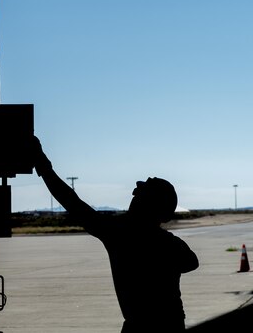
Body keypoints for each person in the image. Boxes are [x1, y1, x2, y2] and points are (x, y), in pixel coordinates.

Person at [31, 136, 199, 333]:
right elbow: (190, 262)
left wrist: (43, 165)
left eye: (143, 188)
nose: (137, 186)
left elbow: (72, 203)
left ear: (149, 203)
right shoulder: (168, 243)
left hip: (140, 327)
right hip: (169, 325)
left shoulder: (119, 233)